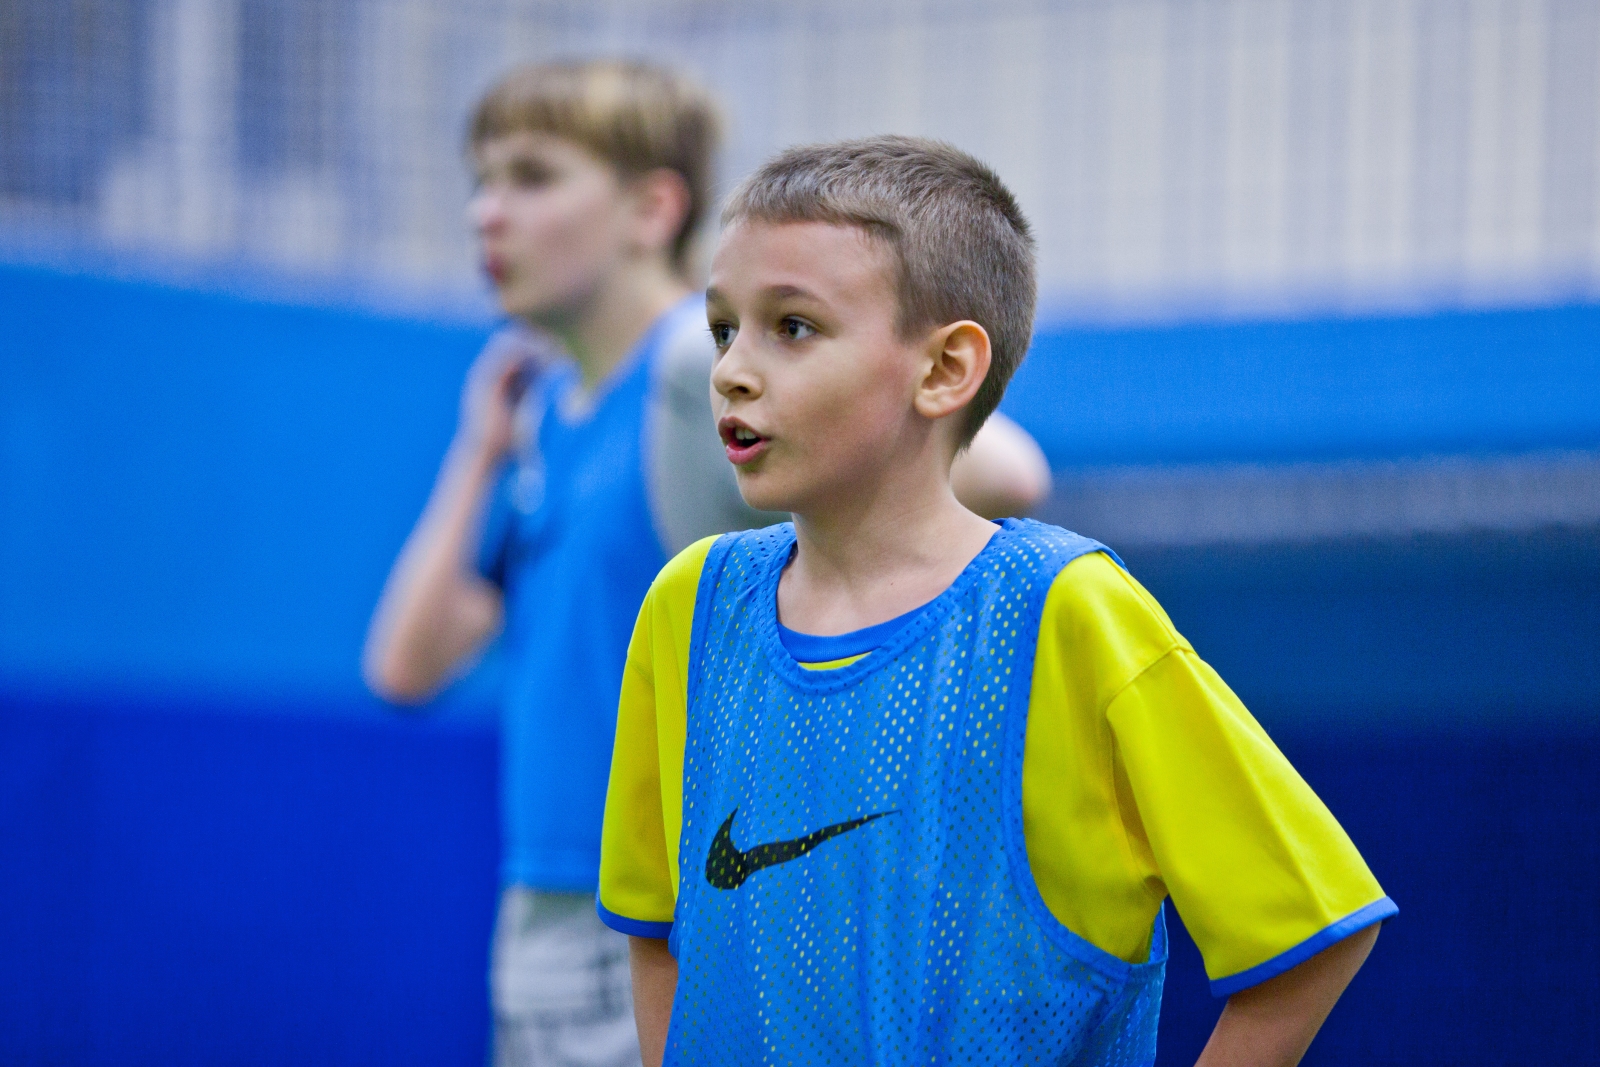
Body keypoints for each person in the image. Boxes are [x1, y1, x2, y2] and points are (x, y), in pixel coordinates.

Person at [597, 135, 1396, 1067]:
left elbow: (1317, 929)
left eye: (794, 327)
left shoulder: (1070, 612)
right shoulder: (689, 607)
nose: (732, 369)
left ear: (944, 370)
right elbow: (655, 929)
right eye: (724, 327)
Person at [363, 65, 1052, 1067]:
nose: (487, 212)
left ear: (653, 205)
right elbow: (405, 666)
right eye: (480, 181)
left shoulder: (700, 370)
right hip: (542, 918)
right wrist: (479, 451)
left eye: (530, 176)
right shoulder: (545, 415)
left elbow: (1013, 472)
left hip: (681, 913)